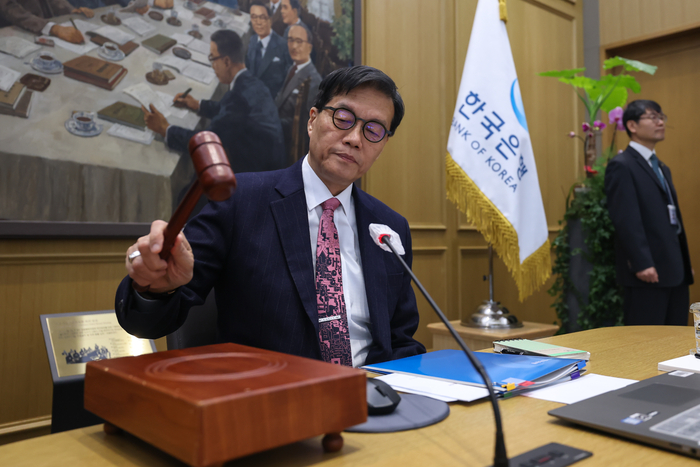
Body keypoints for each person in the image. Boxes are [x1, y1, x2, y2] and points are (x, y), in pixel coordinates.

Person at [116, 65, 426, 367]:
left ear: (383, 144)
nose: (355, 138)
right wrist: (157, 288)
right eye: (343, 118)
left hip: (370, 392)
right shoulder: (241, 200)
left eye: (373, 130)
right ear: (312, 120)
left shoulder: (389, 228)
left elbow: (400, 340)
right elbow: (149, 319)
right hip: (272, 393)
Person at [142, 29, 286, 175]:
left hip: (255, 176)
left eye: (213, 58)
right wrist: (198, 105)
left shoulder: (237, 97)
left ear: (227, 61)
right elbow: (232, 113)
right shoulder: (252, 83)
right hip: (268, 164)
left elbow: (206, 142)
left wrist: (165, 128)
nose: (212, 65)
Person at [605, 99, 693, 326]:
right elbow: (626, 219)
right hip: (647, 272)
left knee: (675, 338)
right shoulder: (622, 165)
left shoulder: (662, 168)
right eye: (653, 117)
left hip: (675, 272)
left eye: (661, 117)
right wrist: (642, 263)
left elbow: (671, 221)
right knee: (646, 338)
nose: (660, 122)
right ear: (632, 126)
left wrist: (682, 262)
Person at [275, 24, 322, 161]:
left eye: (299, 41)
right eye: (290, 40)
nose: (294, 46)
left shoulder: (313, 81)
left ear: (309, 47)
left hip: (286, 144)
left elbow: (303, 127)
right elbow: (280, 100)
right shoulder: (293, 68)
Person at [245, 0, 291, 100]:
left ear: (270, 20)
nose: (258, 22)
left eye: (262, 17)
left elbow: (289, 80)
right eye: (254, 17)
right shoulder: (253, 40)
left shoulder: (283, 46)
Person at [0, 0, 93, 44]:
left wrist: (71, 11)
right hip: (16, 34)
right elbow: (10, 9)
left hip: (44, 30)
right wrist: (52, 28)